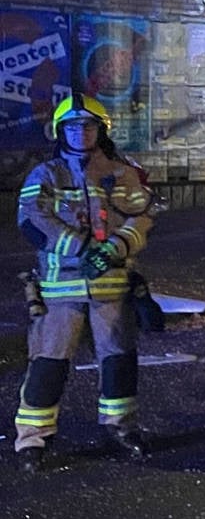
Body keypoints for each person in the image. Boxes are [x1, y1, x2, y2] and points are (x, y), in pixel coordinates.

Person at [13, 93, 157, 473]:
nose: (81, 133)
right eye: (73, 126)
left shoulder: (122, 173)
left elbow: (142, 216)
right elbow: (31, 220)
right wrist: (81, 248)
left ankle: (121, 427)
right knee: (48, 363)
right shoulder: (45, 175)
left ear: (101, 130)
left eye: (88, 126)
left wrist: (115, 246)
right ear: (61, 132)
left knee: (119, 360)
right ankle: (33, 438)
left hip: (112, 285)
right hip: (61, 290)